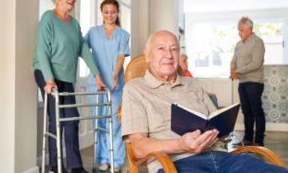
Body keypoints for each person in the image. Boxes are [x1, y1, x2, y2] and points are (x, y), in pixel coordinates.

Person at [121, 30, 287, 173]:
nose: (169, 55)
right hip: (177, 164)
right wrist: (181, 145)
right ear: (147, 54)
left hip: (225, 160)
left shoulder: (192, 84)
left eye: (174, 49)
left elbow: (216, 123)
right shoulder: (135, 89)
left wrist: (221, 131)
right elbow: (139, 147)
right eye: (161, 48)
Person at [33, 0, 105, 173]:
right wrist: (49, 79)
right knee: (56, 118)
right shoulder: (48, 18)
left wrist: (97, 75)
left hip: (65, 77)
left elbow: (84, 50)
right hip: (46, 72)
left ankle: (76, 166)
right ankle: (56, 166)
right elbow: (41, 50)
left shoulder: (74, 23)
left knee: (72, 118)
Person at [84, 0, 130, 172]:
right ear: (101, 13)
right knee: (101, 122)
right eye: (106, 12)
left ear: (117, 13)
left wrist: (116, 73)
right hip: (95, 84)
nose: (109, 15)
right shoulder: (93, 33)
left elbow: (121, 55)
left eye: (113, 12)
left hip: (116, 85)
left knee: (116, 123)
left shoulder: (123, 35)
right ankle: (102, 158)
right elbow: (82, 51)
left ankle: (117, 160)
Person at [230, 17, 266, 147]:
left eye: (242, 30)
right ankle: (248, 138)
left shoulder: (258, 42)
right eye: (239, 30)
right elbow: (233, 60)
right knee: (246, 112)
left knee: (256, 111)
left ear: (250, 29)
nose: (239, 33)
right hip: (243, 83)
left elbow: (256, 63)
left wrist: (238, 71)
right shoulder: (239, 44)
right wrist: (233, 70)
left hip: (254, 83)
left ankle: (259, 140)